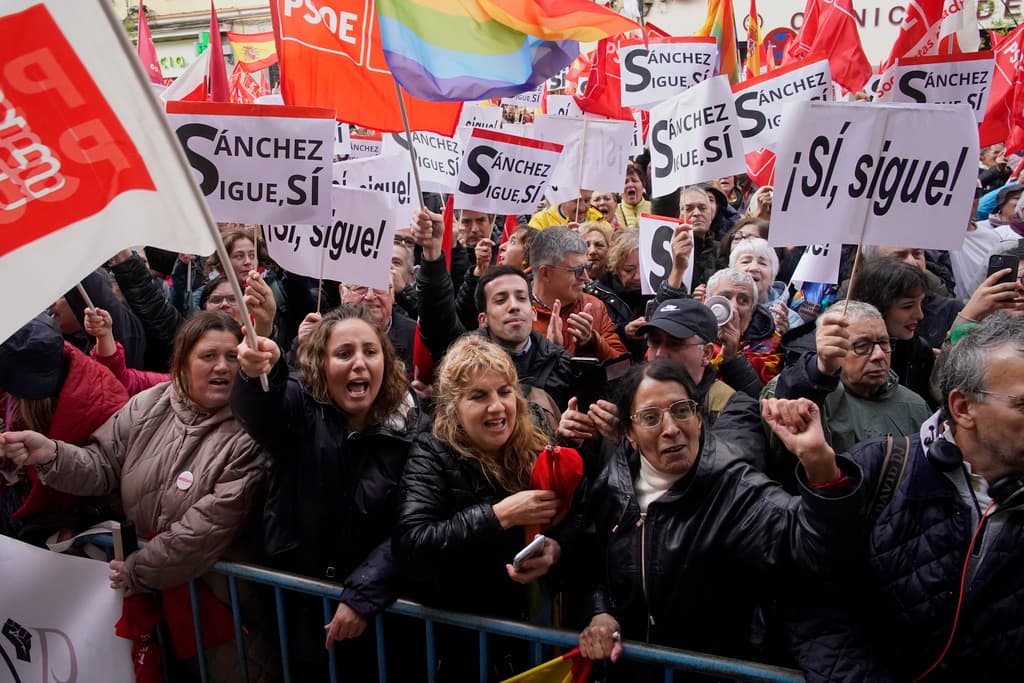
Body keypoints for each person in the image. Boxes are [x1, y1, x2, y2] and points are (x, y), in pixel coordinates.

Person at [1, 312, 268, 678]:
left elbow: (207, 527)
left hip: (220, 611)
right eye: (208, 356)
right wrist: (50, 453)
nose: (222, 366)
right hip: (152, 604)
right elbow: (101, 465)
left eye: (233, 357)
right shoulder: (149, 404)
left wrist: (137, 570)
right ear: (183, 362)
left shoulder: (251, 430)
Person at [576, 360, 862, 672]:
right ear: (629, 434)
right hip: (631, 672)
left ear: (698, 417)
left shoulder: (734, 489)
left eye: (681, 410)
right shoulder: (614, 483)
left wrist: (820, 463)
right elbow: (591, 567)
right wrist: (600, 613)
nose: (671, 429)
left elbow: (818, 549)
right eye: (650, 417)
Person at [787, 312, 1024, 681]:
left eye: (884, 344)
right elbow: (817, 606)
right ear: (962, 408)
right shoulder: (880, 469)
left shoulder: (910, 402)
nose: (879, 355)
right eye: (1022, 405)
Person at [233, 304, 421, 679]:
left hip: (378, 624)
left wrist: (363, 594)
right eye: (343, 353)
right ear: (320, 364)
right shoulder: (299, 408)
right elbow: (262, 409)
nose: (359, 363)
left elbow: (412, 524)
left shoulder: (414, 428)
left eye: (370, 351)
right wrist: (255, 376)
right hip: (298, 615)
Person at [395, 335, 580, 680]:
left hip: (533, 637)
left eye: (505, 391)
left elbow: (580, 519)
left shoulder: (538, 438)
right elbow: (412, 545)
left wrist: (556, 550)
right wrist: (500, 515)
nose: (497, 407)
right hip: (464, 648)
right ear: (453, 406)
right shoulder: (431, 452)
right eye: (479, 396)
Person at [411, 208, 574, 409]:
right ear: (483, 319)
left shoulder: (561, 362)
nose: (513, 306)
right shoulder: (462, 357)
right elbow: (437, 317)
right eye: (500, 300)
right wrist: (432, 252)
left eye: (521, 297)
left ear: (532, 311)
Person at [763, 304, 931, 489]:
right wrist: (820, 371)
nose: (878, 355)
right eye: (862, 345)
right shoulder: (807, 396)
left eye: (884, 343)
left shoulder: (915, 405)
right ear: (832, 348)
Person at [0, 314, 129, 544]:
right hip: (26, 502)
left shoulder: (99, 404)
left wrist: (74, 528)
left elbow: (108, 474)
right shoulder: (42, 362)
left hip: (64, 521)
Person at [530, 227, 628, 359]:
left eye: (586, 268)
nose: (586, 277)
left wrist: (593, 342)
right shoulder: (520, 314)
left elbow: (621, 368)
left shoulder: (593, 306)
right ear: (545, 273)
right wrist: (548, 352)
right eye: (577, 270)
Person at [706, 268, 783, 387]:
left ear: (752, 310)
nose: (733, 308)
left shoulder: (772, 345)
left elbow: (761, 397)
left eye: (743, 301)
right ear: (707, 301)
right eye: (725, 297)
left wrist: (731, 357)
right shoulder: (689, 337)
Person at [584, 229, 652, 360]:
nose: (638, 276)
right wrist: (624, 331)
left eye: (643, 268)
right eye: (629, 270)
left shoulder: (659, 289)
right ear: (616, 267)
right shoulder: (597, 294)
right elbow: (596, 335)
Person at [730, 237, 802, 333]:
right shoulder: (718, 305)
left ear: (772, 277)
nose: (753, 268)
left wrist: (783, 339)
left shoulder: (790, 319)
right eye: (745, 262)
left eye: (762, 263)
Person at [529, 191, 603, 230]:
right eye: (576, 201)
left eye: (587, 200)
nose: (582, 208)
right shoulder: (541, 220)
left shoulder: (600, 221)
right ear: (562, 199)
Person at [614, 161, 651, 229]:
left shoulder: (654, 209)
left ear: (643, 186)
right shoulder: (613, 212)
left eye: (634, 181)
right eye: (625, 182)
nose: (630, 185)